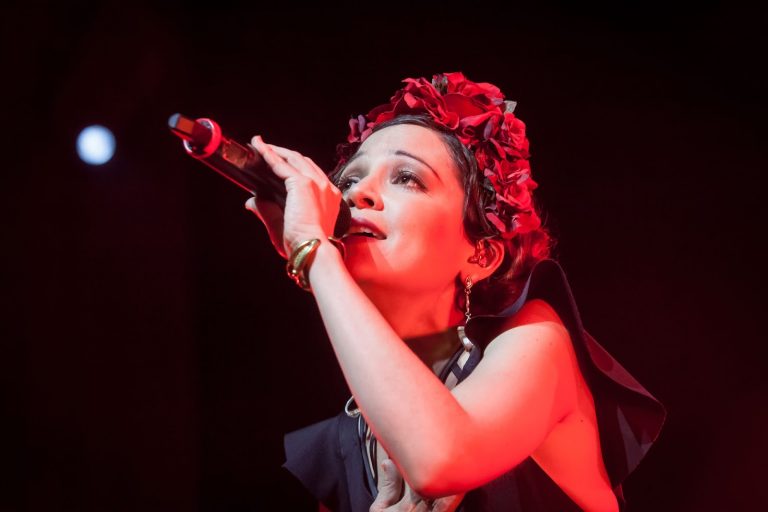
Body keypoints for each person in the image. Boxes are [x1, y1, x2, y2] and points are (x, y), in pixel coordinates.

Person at [245, 72, 665, 511]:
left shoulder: (537, 342)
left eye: (407, 178)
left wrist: (314, 254)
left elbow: (439, 458)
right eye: (348, 182)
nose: (359, 194)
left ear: (481, 256)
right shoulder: (344, 444)